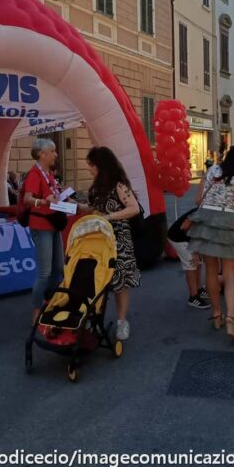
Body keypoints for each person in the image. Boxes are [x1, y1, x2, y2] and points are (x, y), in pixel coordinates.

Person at [186, 143, 234, 341]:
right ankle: (231, 319)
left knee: (211, 270)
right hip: (227, 220)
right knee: (230, 273)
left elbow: (198, 201)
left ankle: (217, 315)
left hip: (205, 221)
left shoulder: (211, 171)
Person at [84, 146, 141, 340]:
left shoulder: (119, 185)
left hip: (119, 239)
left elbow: (134, 208)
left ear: (100, 165)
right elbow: (92, 208)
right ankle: (94, 319)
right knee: (97, 281)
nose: (89, 169)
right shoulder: (96, 186)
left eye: (91, 165)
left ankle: (122, 322)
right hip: (99, 239)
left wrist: (109, 216)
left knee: (120, 282)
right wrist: (72, 205)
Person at [23, 138, 65, 326]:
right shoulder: (34, 173)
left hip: (53, 224)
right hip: (41, 226)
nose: (56, 154)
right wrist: (44, 202)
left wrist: (60, 198)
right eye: (53, 151)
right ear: (42, 154)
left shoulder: (48, 173)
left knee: (58, 268)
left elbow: (51, 196)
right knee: (44, 272)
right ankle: (37, 309)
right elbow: (28, 198)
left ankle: (53, 304)